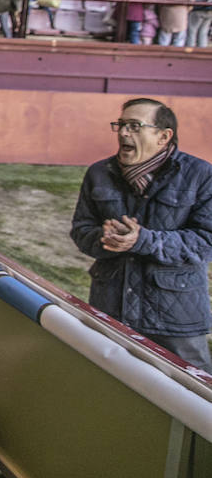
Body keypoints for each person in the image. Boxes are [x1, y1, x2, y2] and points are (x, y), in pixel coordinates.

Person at [70, 99, 212, 373]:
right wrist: (104, 238)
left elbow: (206, 242)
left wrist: (142, 240)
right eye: (121, 125)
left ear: (163, 136)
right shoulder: (99, 173)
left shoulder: (201, 175)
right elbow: (81, 230)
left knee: (192, 395)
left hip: (176, 317)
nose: (123, 133)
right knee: (107, 384)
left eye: (135, 126)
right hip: (111, 308)